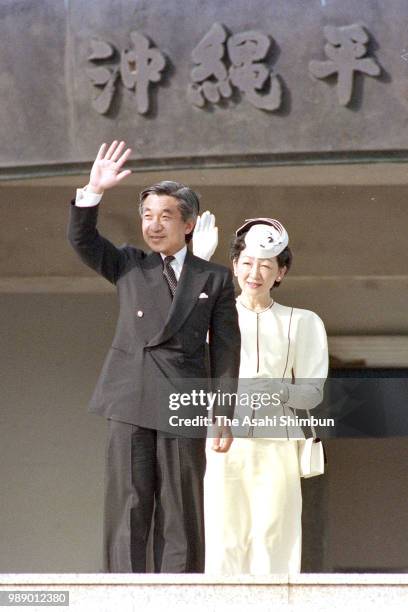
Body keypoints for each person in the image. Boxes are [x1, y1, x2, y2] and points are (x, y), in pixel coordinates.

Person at [68, 140, 240, 573]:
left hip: (184, 399)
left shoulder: (213, 277)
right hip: (129, 395)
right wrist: (93, 191)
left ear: (188, 223)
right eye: (148, 215)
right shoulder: (129, 264)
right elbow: (83, 239)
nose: (154, 225)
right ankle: (123, 596)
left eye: (165, 216)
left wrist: (223, 412)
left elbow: (225, 350)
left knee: (181, 507)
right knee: (129, 501)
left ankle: (179, 596)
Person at [194, 216, 328, 574]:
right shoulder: (209, 316)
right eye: (247, 263)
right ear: (235, 266)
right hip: (224, 439)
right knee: (225, 535)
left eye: (266, 266)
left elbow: (312, 393)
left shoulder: (303, 322)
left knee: (274, 535)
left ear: (280, 273)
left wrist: (276, 388)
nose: (255, 273)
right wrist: (198, 268)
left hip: (277, 442)